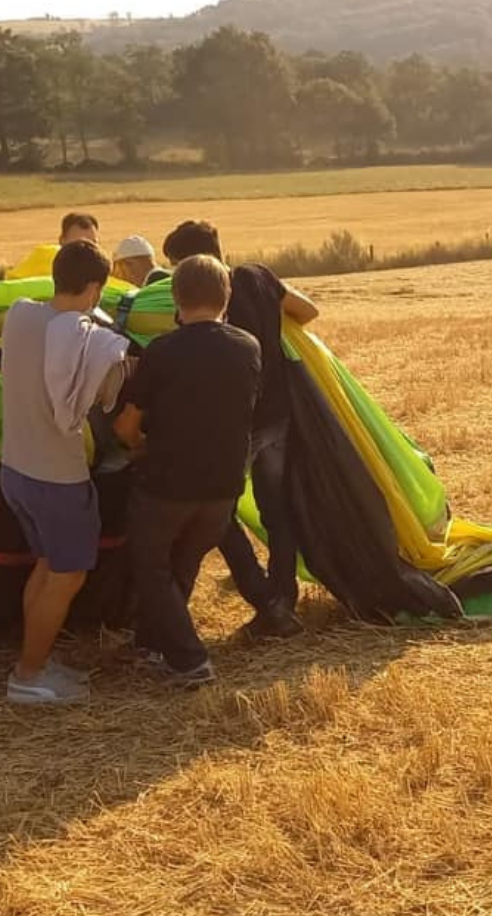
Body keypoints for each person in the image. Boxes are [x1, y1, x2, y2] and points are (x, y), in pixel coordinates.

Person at [158, 220, 315, 638]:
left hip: (236, 424)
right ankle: (281, 598)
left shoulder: (198, 304)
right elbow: (309, 311)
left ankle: (265, 601)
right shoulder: (260, 276)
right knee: (278, 513)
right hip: (277, 415)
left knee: (219, 515)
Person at [112, 255, 263, 687]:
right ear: (226, 296)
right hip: (223, 486)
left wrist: (136, 446)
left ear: (175, 298)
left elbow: (126, 425)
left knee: (152, 566)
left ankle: (189, 659)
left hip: (167, 483)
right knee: (183, 565)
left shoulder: (162, 351)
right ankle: (152, 645)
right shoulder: (248, 347)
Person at [0, 240, 132, 705]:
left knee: (46, 565)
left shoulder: (19, 315)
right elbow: (106, 396)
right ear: (95, 288)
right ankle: (28, 675)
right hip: (57, 477)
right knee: (67, 576)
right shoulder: (87, 340)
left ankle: (35, 659)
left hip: (15, 468)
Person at [5, 212, 103, 280]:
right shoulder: (44, 256)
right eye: (78, 244)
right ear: (62, 241)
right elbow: (13, 282)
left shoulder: (101, 269)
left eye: (92, 243)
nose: (86, 249)